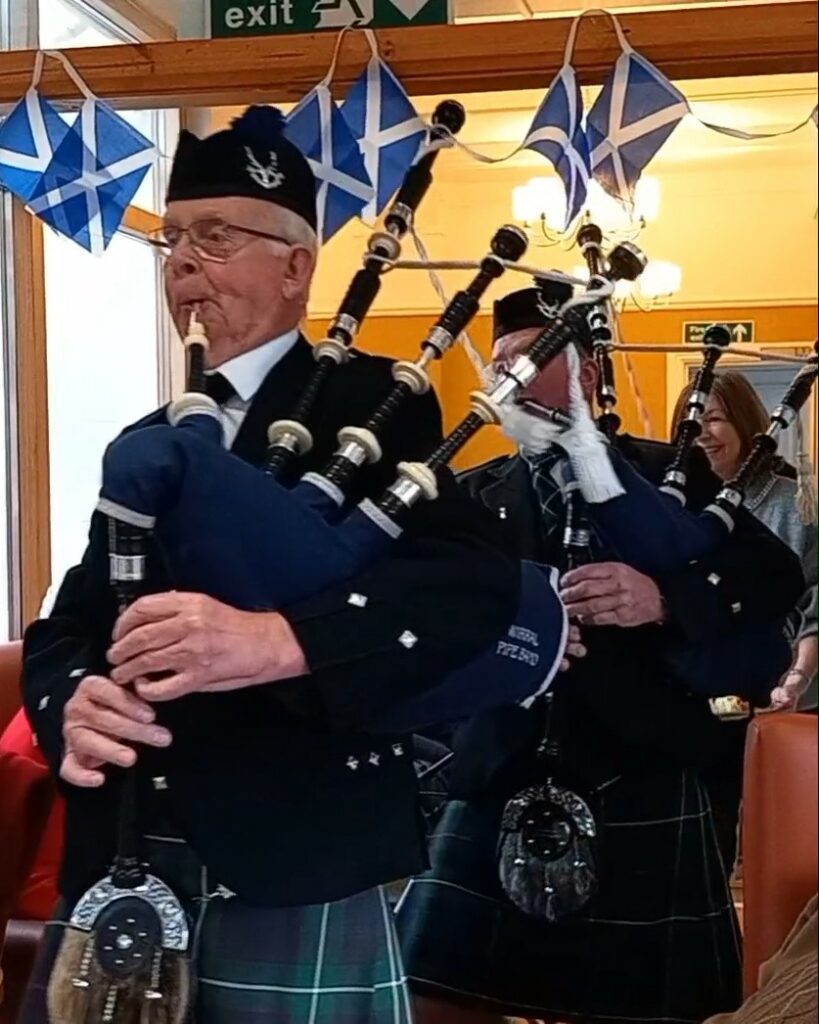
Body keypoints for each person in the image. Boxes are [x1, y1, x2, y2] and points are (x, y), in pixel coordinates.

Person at [18, 106, 521, 1024]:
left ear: (296, 268)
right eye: (172, 240)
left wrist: (282, 639)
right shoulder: (150, 437)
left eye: (215, 236)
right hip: (126, 854)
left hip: (293, 851)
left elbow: (470, 587)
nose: (180, 263)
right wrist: (71, 701)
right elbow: (65, 626)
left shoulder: (379, 408)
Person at [397, 284, 805, 1024]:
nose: (504, 381)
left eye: (526, 359)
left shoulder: (669, 477)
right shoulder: (467, 496)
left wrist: (663, 598)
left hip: (641, 775)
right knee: (428, 1001)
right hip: (496, 778)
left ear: (585, 374)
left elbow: (771, 578)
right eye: (497, 365)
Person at [672, 370, 818, 714]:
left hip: (783, 698)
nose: (702, 434)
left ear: (744, 422)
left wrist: (798, 676)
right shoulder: (674, 507)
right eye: (691, 423)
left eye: (716, 419)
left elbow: (815, 604)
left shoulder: (795, 504)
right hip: (692, 706)